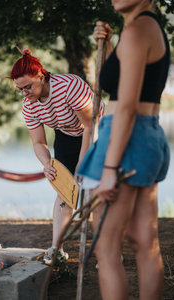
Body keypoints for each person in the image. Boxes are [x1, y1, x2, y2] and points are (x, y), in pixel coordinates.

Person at [76, 0, 170, 299]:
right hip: (148, 136)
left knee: (107, 248)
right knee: (145, 242)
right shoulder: (145, 27)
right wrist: (108, 44)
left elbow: (126, 107)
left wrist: (109, 169)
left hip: (125, 138)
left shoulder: (137, 31)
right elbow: (124, 85)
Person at [9, 49, 105, 265]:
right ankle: (57, 249)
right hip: (67, 134)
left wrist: (83, 161)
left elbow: (91, 125)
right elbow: (38, 142)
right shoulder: (29, 106)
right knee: (65, 190)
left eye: (28, 87)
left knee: (95, 194)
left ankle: (105, 252)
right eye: (20, 89)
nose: (25, 93)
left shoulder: (69, 86)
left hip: (98, 130)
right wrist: (47, 164)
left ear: (41, 77)